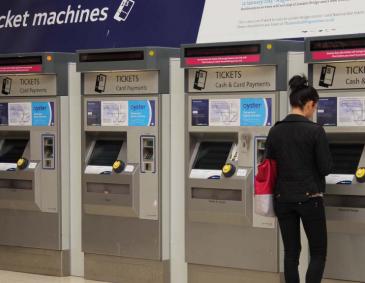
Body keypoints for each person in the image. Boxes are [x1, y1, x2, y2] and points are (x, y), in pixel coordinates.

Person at [265, 75, 332, 283]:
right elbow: (326, 168)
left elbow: (271, 164)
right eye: (315, 107)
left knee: (291, 253)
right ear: (309, 104)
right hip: (310, 198)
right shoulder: (315, 131)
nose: (314, 111)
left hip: (282, 199)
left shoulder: (275, 130)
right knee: (318, 252)